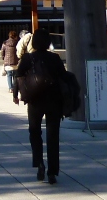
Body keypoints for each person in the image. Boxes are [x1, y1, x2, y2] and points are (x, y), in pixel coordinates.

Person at [14, 28, 69, 184]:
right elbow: (63, 77)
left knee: (34, 132)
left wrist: (16, 94)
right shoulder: (55, 58)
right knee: (53, 136)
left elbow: (18, 75)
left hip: (35, 100)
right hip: (54, 100)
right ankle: (52, 172)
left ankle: (39, 163)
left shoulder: (27, 58)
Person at [1, 30, 20, 101]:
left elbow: (2, 52)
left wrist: (3, 58)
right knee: (15, 76)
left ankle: (10, 88)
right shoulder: (17, 43)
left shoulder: (5, 43)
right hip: (15, 62)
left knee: (9, 75)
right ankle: (15, 87)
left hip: (7, 62)